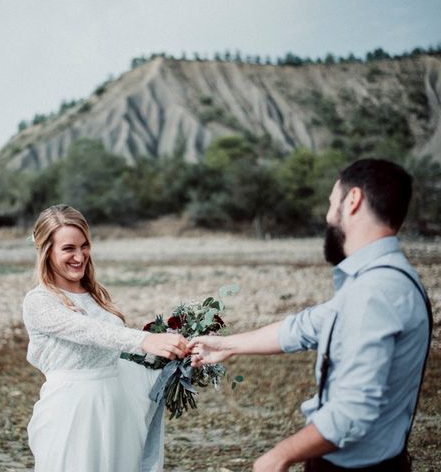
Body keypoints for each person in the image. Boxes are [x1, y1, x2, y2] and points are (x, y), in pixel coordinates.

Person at [188, 158, 431, 471]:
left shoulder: (374, 292)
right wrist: (228, 345)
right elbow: (305, 327)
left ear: (353, 200)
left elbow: (350, 412)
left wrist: (281, 454)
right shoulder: (389, 278)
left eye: (332, 203)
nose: (328, 216)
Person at [22, 204, 187, 472]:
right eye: (68, 249)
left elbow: (117, 353)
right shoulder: (39, 301)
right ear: (46, 251)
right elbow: (89, 331)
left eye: (84, 245)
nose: (79, 256)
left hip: (115, 407)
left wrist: (176, 355)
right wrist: (144, 340)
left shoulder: (96, 296)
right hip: (72, 412)